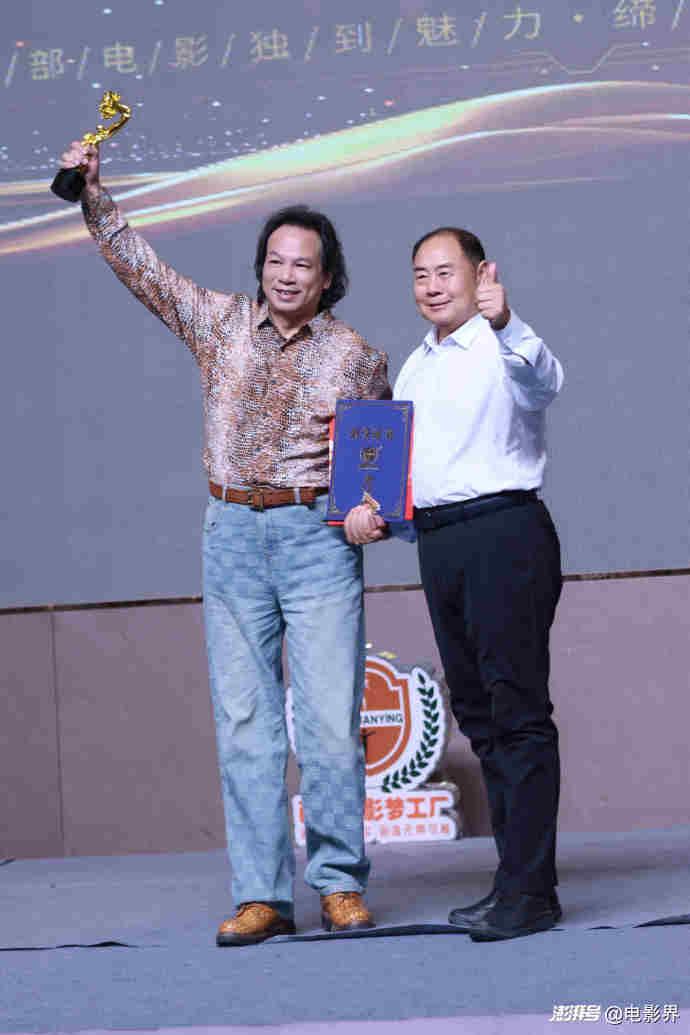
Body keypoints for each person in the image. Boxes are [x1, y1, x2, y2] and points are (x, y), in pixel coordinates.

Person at [59, 140, 391, 946]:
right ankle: (262, 895)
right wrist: (94, 196)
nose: (286, 274)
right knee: (246, 722)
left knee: (327, 721)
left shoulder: (356, 357)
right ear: (261, 267)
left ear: (327, 277)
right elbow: (144, 272)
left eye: (302, 264)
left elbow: (377, 466)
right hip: (232, 535)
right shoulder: (220, 324)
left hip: (315, 541)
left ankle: (340, 883)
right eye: (275, 260)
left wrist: (369, 507)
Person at [345, 226, 564, 941]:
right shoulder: (414, 367)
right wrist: (378, 515)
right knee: (479, 714)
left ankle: (532, 893)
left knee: (517, 710)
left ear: (481, 274)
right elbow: (420, 479)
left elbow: (545, 381)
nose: (433, 286)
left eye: (446, 272)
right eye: (421, 275)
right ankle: (515, 881)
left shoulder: (505, 344)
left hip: (505, 533)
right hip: (441, 544)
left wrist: (509, 322)